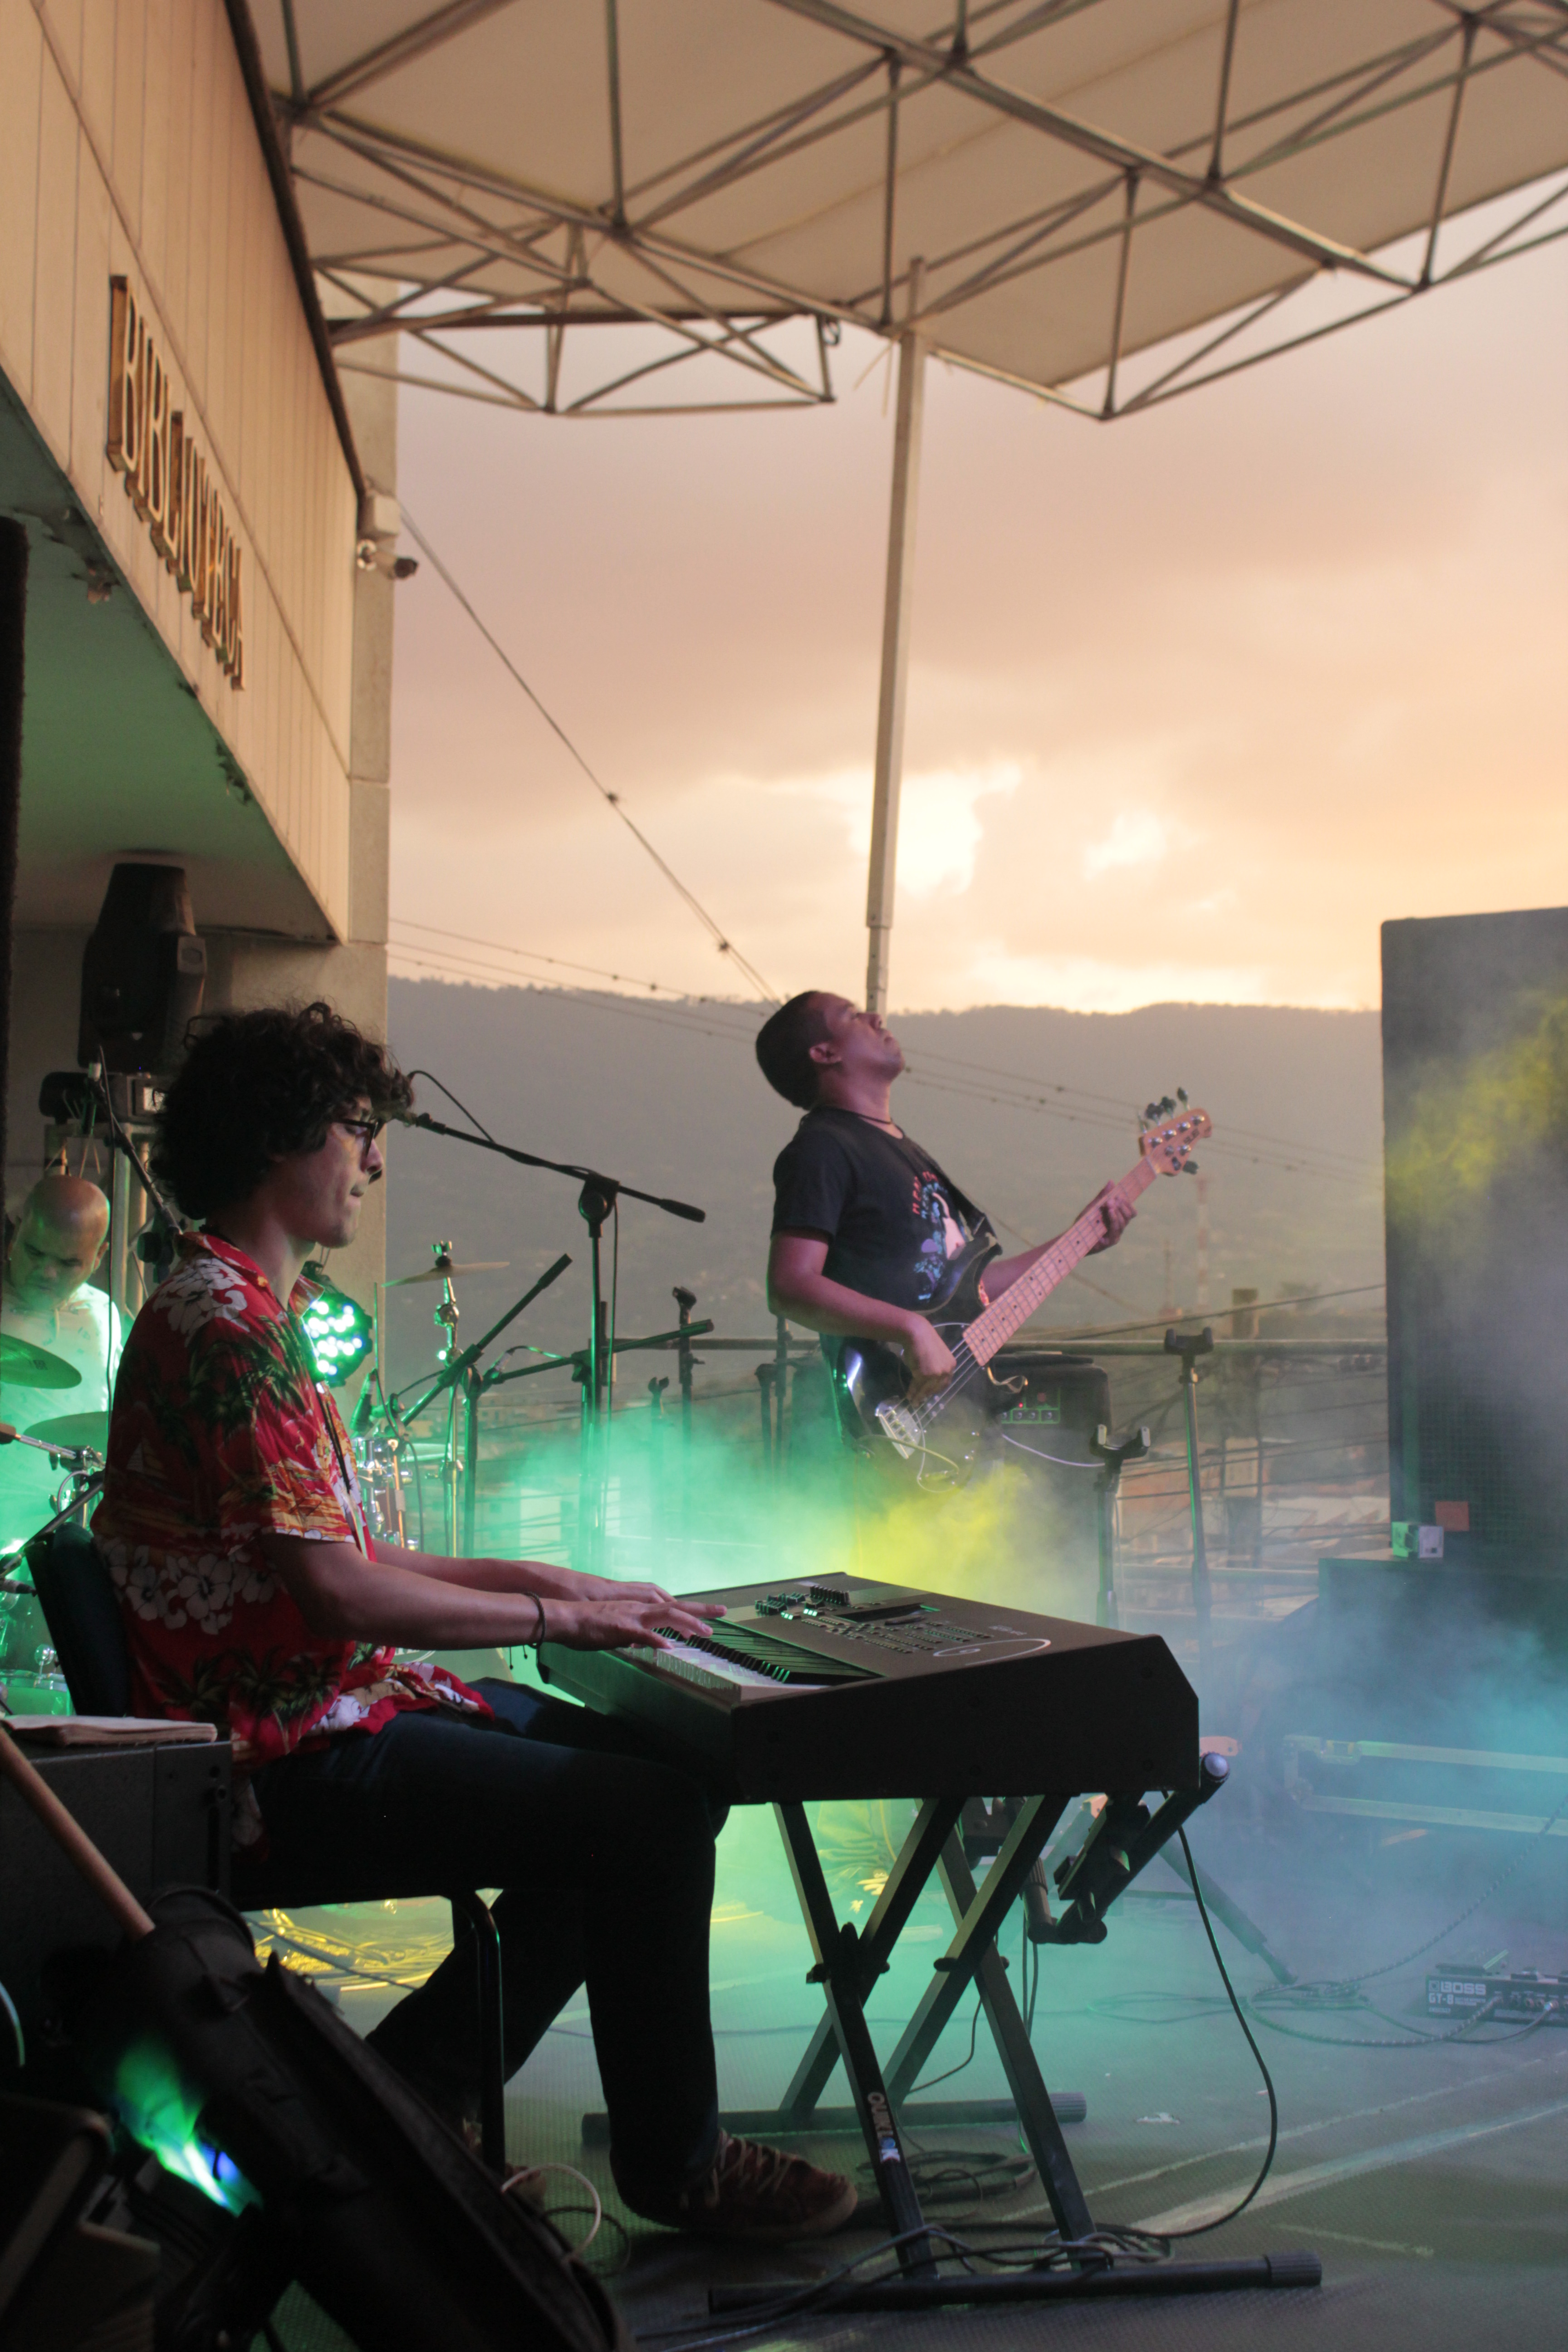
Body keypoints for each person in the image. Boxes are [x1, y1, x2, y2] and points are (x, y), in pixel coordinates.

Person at [92, 1000, 855, 2240]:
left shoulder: (238, 1306)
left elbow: (346, 1555)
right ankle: (675, 2165)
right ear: (283, 1137)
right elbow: (337, 1593)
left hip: (332, 1704)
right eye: (356, 1128)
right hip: (279, 1757)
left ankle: (410, 2095)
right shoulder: (228, 1327)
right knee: (650, 1813)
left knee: (663, 1781)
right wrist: (552, 1617)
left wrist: (553, 1584)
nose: (373, 1157)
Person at [757, 992, 1133, 1403]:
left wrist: (1078, 1241)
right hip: (886, 1410)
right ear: (825, 1053)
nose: (875, 1017)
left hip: (954, 1415)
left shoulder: (905, 1151)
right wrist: (911, 1328)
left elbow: (969, 1293)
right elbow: (789, 1286)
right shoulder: (823, 1148)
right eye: (851, 1016)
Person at [0, 1175, 120, 1557]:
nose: (47, 1272)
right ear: (17, 1231)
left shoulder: (103, 1316)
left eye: (69, 1262)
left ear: (99, 1256)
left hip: (62, 1531)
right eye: (35, 1252)